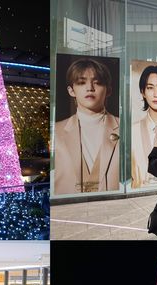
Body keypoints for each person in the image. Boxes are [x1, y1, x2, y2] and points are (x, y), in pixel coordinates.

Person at [54, 58, 120, 194]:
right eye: (81, 82)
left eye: (98, 82)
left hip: (114, 206)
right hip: (67, 210)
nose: (90, 88)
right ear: (71, 90)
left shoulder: (125, 128)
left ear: (108, 90)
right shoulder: (56, 130)